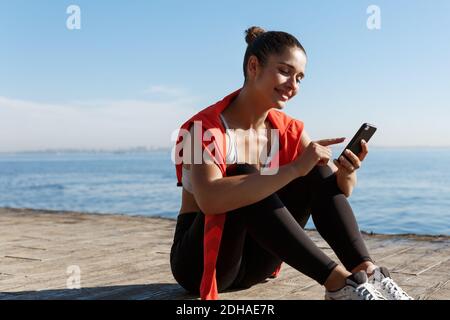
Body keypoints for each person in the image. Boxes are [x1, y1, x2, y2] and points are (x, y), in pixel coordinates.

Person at [170, 26, 412, 300]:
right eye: (285, 71)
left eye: (299, 78)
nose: (293, 85)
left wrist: (346, 173)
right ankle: (339, 283)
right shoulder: (203, 128)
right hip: (203, 266)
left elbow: (337, 190)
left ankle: (367, 273)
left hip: (258, 265)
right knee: (245, 174)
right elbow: (210, 200)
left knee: (318, 167)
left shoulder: (288, 129)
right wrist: (295, 168)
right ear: (253, 66)